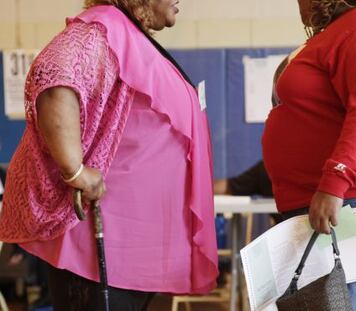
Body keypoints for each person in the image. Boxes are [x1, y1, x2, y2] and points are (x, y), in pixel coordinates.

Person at [0, 0, 218, 310]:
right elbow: (53, 77)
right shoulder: (103, 27)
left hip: (132, 254)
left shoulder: (126, 35)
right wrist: (75, 171)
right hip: (103, 248)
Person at [262, 0, 356, 310]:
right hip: (331, 199)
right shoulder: (337, 31)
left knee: (323, 307)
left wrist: (336, 180)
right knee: (307, 306)